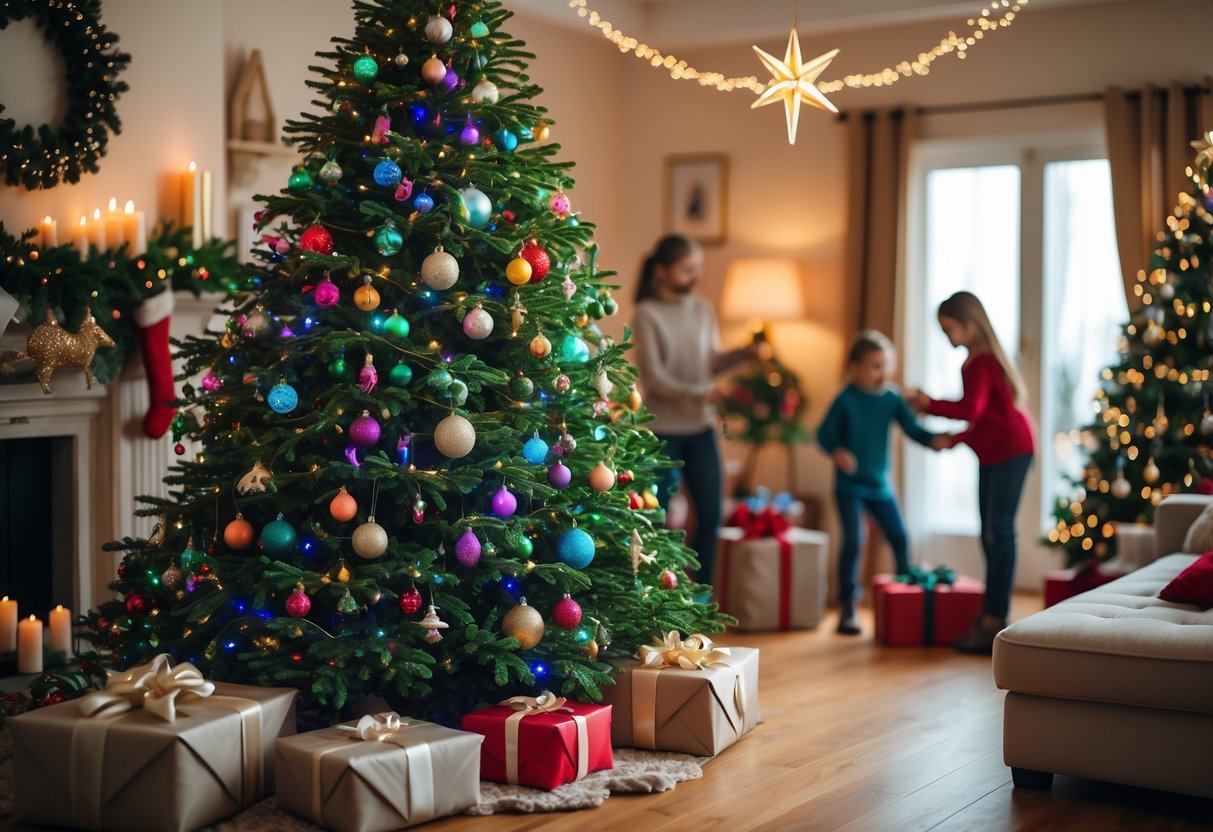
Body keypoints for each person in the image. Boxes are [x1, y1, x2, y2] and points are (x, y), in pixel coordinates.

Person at [907, 290, 1037, 654]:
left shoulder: (979, 362)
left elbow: (970, 410)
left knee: (999, 533)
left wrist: (927, 403)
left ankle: (995, 619)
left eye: (950, 328)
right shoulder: (982, 360)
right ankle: (991, 616)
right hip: (998, 449)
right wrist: (957, 439)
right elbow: (983, 419)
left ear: (969, 324)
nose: (948, 337)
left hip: (1011, 449)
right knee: (991, 534)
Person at [632, 234, 761, 586]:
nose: (694, 276)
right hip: (663, 432)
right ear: (662, 271)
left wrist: (741, 355)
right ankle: (656, 594)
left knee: (711, 513)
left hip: (702, 430)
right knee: (654, 517)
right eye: (688, 269)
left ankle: (700, 598)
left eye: (696, 269)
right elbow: (655, 380)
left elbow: (711, 363)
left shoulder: (703, 309)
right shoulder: (647, 314)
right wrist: (703, 392)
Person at [817, 330, 936, 635]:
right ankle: (848, 605)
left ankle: (907, 599)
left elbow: (914, 429)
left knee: (898, 535)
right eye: (875, 366)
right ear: (854, 367)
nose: (882, 372)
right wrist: (838, 451)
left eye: (886, 365)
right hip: (849, 487)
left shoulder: (892, 397)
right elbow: (823, 434)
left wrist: (936, 439)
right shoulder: (846, 399)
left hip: (878, 485)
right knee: (854, 540)